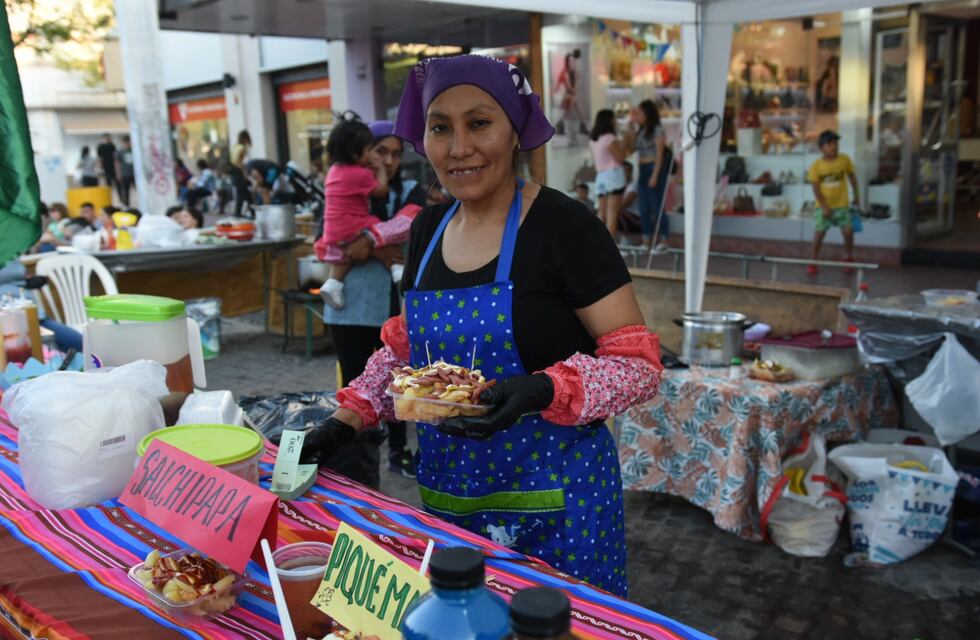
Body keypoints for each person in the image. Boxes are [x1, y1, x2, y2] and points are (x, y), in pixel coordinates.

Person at [286, 55, 662, 597]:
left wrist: (542, 389)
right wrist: (345, 420)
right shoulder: (427, 231)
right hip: (452, 504)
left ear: (514, 131)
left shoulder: (564, 226)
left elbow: (637, 365)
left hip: (558, 506)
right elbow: (403, 356)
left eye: (479, 123)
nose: (458, 147)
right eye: (440, 127)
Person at [315, 114, 419, 310]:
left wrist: (366, 242)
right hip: (349, 310)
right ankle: (395, 267)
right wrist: (379, 249)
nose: (388, 162)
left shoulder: (412, 190)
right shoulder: (347, 189)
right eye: (379, 151)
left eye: (397, 154)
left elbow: (411, 223)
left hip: (394, 310)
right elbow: (322, 242)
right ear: (358, 152)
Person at [807, 130, 859, 275]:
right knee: (819, 234)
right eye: (830, 143)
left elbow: (852, 177)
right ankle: (813, 260)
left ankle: (848, 258)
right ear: (821, 147)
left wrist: (857, 195)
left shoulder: (845, 160)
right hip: (823, 207)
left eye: (836, 143)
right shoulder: (816, 165)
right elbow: (816, 188)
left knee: (848, 232)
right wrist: (824, 207)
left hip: (842, 205)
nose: (834, 146)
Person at [627, 100, 671, 250]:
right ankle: (646, 239)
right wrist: (632, 130)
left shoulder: (657, 130)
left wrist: (655, 175)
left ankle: (664, 239)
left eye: (640, 113)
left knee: (657, 206)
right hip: (643, 168)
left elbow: (660, 155)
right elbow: (632, 149)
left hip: (654, 167)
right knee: (644, 207)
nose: (637, 116)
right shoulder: (640, 130)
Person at [589, 109, 627, 237]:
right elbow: (620, 157)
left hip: (601, 177)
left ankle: (597, 246)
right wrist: (624, 146)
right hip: (613, 176)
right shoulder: (610, 138)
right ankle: (611, 249)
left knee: (601, 214)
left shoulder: (594, 139)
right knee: (612, 215)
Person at [230, 130, 252, 216]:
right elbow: (238, 162)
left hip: (233, 172)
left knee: (246, 194)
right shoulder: (242, 148)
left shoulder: (235, 146)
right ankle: (238, 213)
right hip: (238, 172)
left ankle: (253, 211)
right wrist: (244, 172)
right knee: (241, 194)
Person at [115, 135, 135, 206]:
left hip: (134, 174)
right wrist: (118, 174)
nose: (128, 144)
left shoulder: (134, 150)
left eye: (129, 142)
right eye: (126, 143)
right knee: (125, 191)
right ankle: (126, 205)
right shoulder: (120, 152)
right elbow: (117, 163)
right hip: (125, 174)